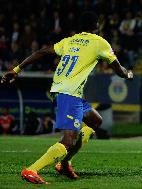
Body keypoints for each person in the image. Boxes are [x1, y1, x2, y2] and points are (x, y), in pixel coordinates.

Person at [1, 12, 133, 184]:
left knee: (95, 120)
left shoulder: (69, 40)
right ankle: (32, 169)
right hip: (69, 93)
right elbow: (119, 70)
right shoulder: (100, 42)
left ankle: (64, 164)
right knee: (68, 140)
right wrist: (129, 74)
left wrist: (16, 69)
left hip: (66, 91)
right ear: (97, 25)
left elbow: (42, 52)